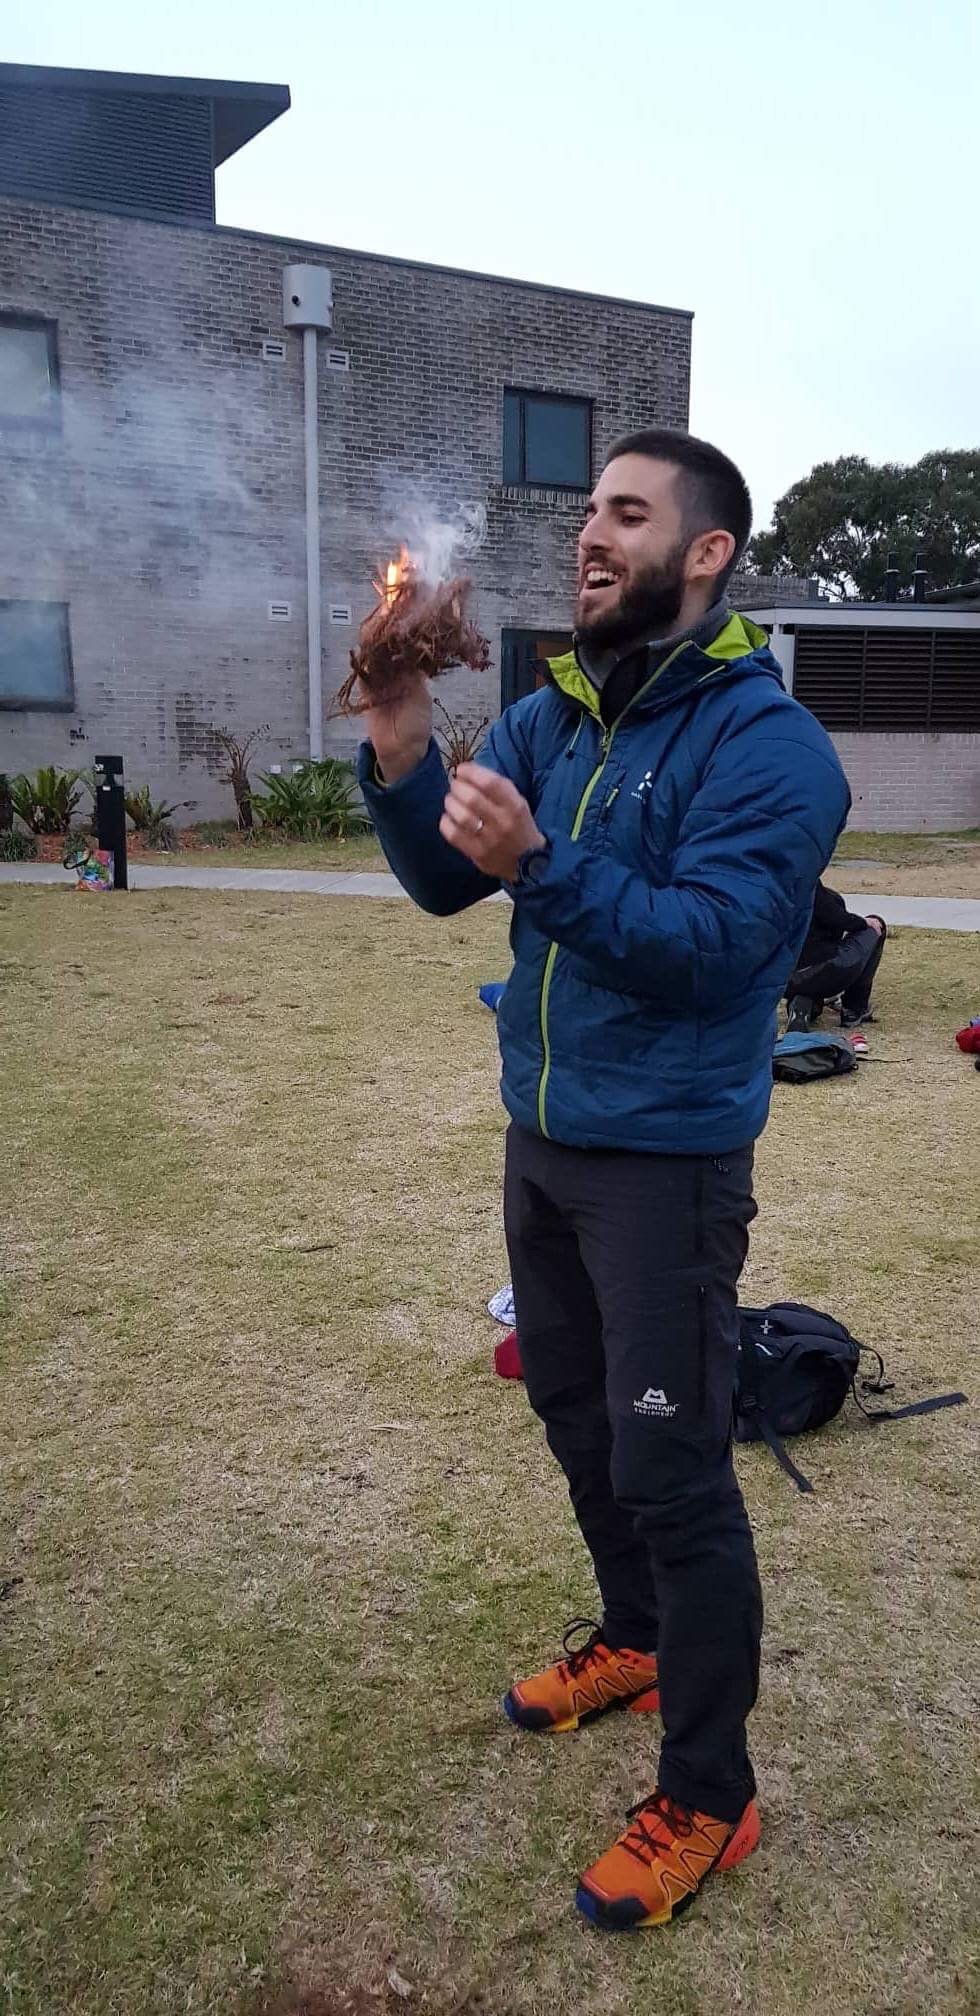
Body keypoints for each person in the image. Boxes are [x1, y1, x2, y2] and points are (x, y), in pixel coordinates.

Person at [357, 429, 850, 1931]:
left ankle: (710, 1794)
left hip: (669, 1166)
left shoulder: (772, 749)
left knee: (676, 1470)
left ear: (704, 553)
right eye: (586, 512)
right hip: (548, 1136)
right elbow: (448, 875)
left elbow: (713, 951)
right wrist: (396, 731)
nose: (589, 536)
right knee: (576, 1415)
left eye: (625, 515)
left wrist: (543, 871)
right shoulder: (551, 716)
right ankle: (632, 1639)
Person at [785, 881, 887, 1031]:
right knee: (877, 925)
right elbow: (835, 917)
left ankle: (805, 1004)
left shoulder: (766, 885)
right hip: (824, 968)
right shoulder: (805, 879)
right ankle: (854, 1008)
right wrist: (864, 922)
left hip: (782, 978)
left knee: (805, 972)